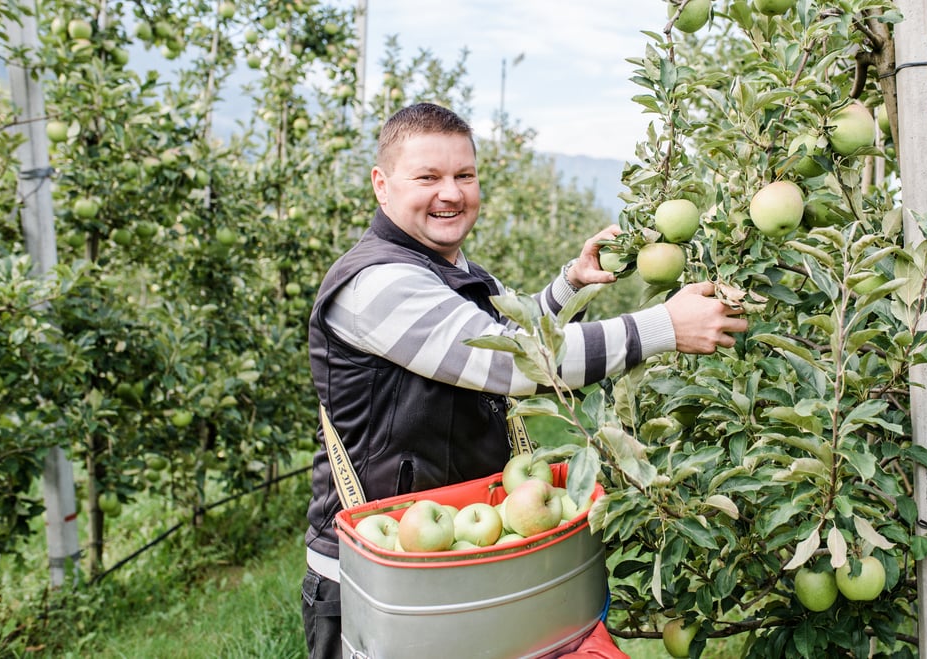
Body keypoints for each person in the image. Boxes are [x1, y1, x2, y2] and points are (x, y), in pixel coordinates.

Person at [302, 102, 747, 658]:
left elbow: (493, 332)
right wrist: (664, 327)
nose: (451, 192)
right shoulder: (378, 284)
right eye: (428, 177)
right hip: (376, 582)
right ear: (382, 185)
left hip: (461, 551)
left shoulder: (453, 272)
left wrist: (569, 285)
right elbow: (513, 361)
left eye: (464, 176)